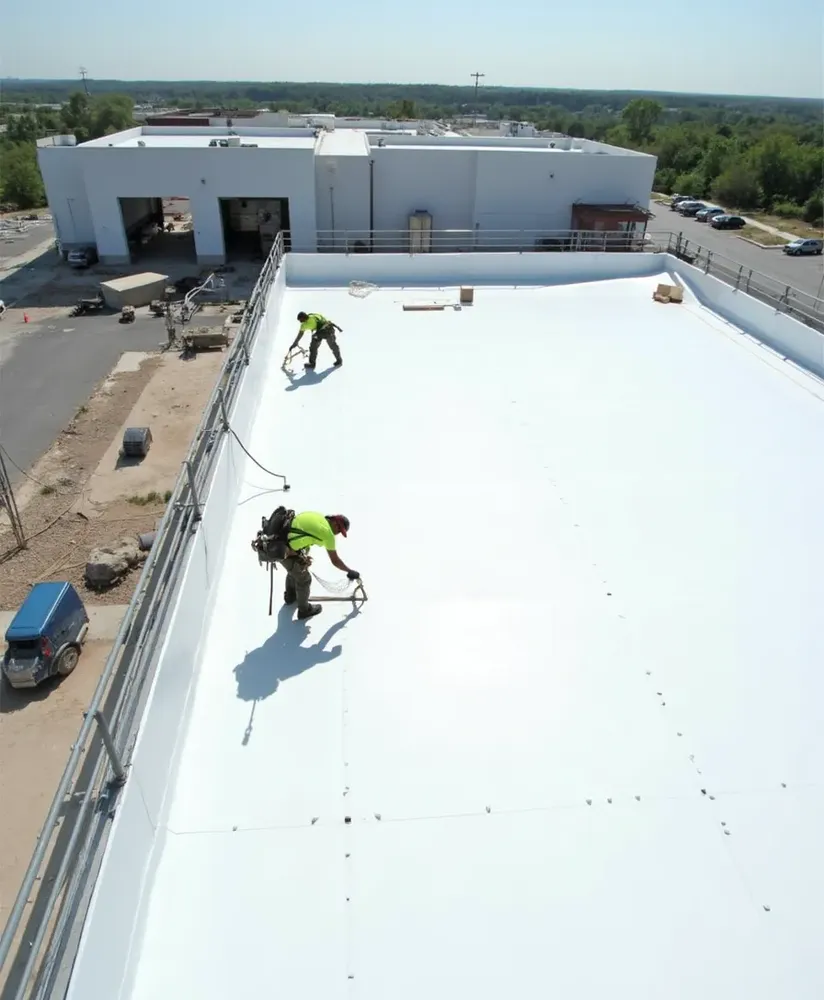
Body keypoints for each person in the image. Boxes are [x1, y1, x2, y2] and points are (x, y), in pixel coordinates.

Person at [279, 512, 359, 621]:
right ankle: (304, 610)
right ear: (335, 523)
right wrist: (349, 571)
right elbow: (335, 560)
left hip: (280, 542)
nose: (338, 533)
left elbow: (303, 535)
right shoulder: (328, 534)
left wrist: (302, 556)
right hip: (283, 550)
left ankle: (290, 596)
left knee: (295, 569)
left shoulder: (318, 518)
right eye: (339, 530)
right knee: (304, 579)